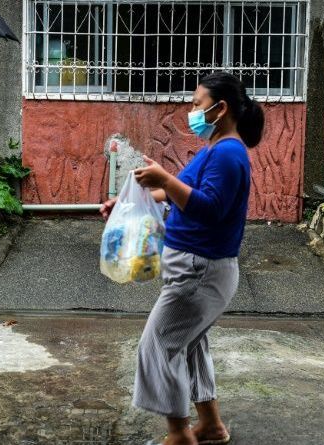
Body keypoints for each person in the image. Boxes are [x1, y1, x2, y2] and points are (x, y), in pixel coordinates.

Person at [100, 72, 264, 445]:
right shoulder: (215, 149)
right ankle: (209, 426)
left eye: (196, 104)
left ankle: (179, 435)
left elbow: (209, 209)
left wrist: (164, 178)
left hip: (201, 272)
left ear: (220, 109)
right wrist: (127, 201)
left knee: (157, 346)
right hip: (195, 270)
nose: (191, 111)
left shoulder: (228, 154)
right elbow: (176, 193)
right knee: (190, 346)